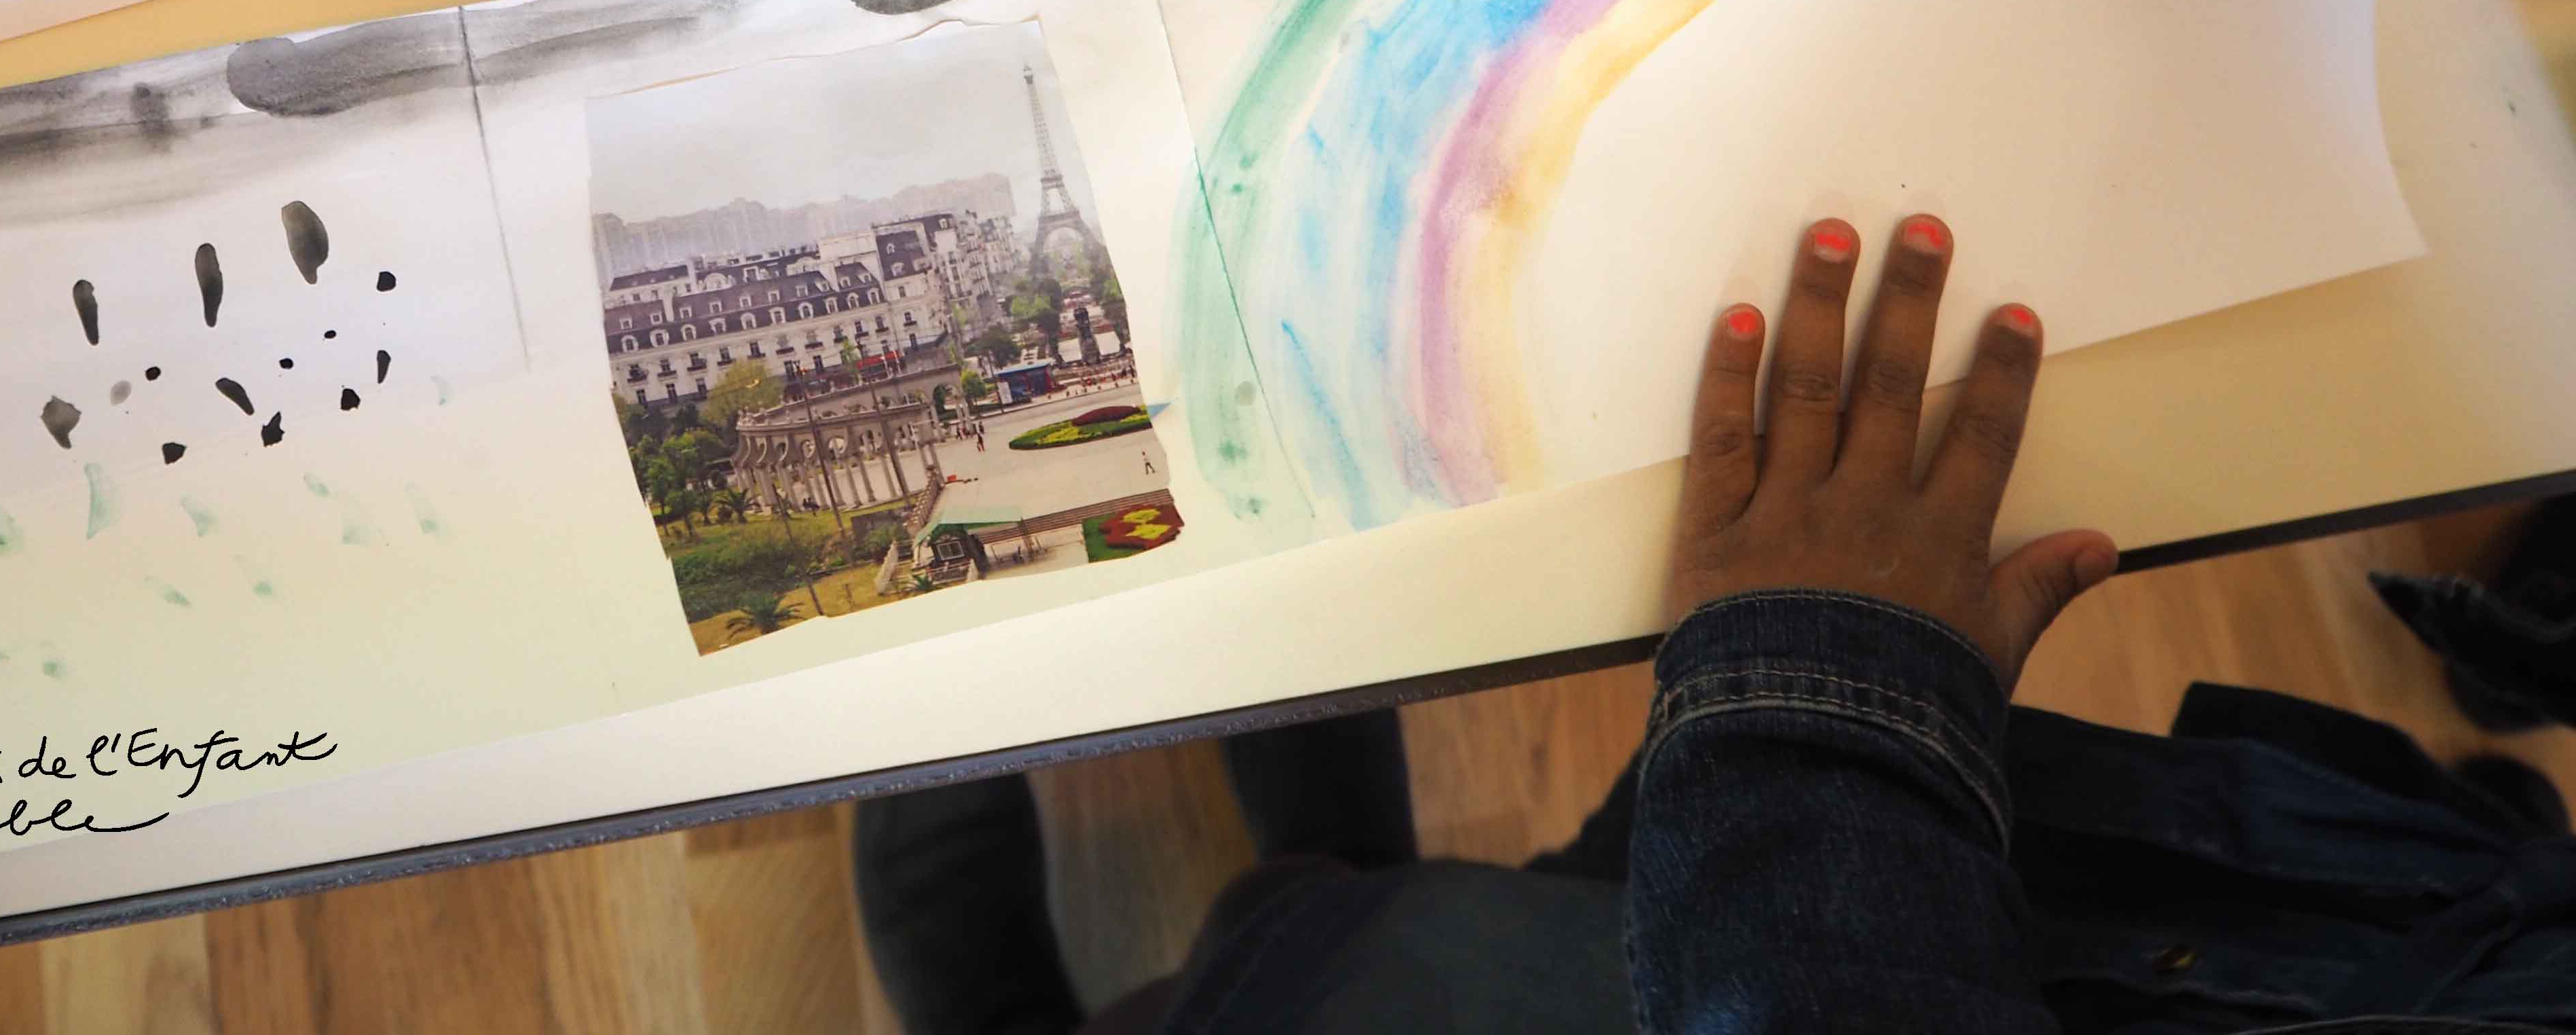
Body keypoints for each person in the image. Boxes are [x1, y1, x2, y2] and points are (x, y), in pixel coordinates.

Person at [853, 214, 2576, 1032]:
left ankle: (954, 791)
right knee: (1378, 876)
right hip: (2064, 906)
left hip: (1760, 929)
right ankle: (1319, 865)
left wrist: (1833, 682)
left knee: (1272, 952)